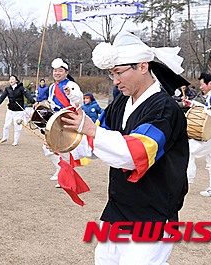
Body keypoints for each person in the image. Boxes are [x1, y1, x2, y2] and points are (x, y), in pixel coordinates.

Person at [63, 30, 189, 264]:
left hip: (154, 213)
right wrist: (65, 141)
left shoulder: (164, 109)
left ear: (143, 66)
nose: (116, 81)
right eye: (112, 74)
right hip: (119, 208)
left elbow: (134, 154)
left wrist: (91, 130)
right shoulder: (121, 100)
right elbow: (98, 140)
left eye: (119, 72)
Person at [44, 58, 83, 184]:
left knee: (63, 150)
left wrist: (70, 94)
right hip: (56, 120)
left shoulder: (71, 85)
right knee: (48, 147)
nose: (57, 73)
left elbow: (79, 100)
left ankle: (65, 176)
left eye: (60, 71)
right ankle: (61, 170)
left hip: (68, 119)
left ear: (66, 73)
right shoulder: (52, 87)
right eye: (55, 71)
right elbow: (52, 102)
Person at [0, 75, 35, 146]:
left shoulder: (21, 88)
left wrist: (33, 102)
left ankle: (15, 140)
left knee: (17, 126)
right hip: (10, 109)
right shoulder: (8, 89)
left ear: (16, 80)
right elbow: (2, 97)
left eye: (13, 79)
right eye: (10, 79)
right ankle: (5, 137)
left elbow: (27, 95)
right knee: (6, 124)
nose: (11, 80)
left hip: (19, 110)